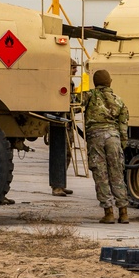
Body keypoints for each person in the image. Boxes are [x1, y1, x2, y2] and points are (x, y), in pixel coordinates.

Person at [82, 69, 130, 223]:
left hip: (96, 137)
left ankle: (108, 213)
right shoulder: (119, 100)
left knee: (101, 175)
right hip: (114, 138)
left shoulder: (89, 96)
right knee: (117, 174)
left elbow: (74, 102)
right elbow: (123, 126)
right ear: (110, 81)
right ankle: (124, 213)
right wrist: (123, 143)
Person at [51, 57, 79, 197]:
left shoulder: (71, 83)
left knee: (67, 154)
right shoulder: (60, 83)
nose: (76, 70)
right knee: (60, 154)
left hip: (68, 123)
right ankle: (57, 186)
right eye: (73, 67)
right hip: (60, 124)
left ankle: (61, 183)